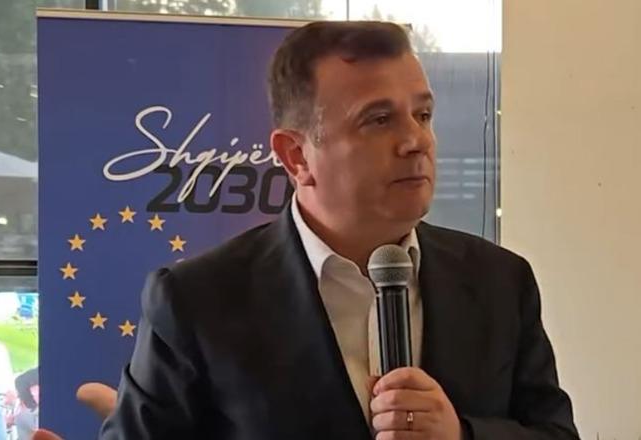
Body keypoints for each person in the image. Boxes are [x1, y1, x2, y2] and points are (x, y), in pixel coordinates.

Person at [100, 21, 579, 439]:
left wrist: (460, 435)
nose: (416, 140)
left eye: (423, 115)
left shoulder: (501, 281)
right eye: (379, 120)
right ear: (296, 156)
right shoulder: (196, 301)